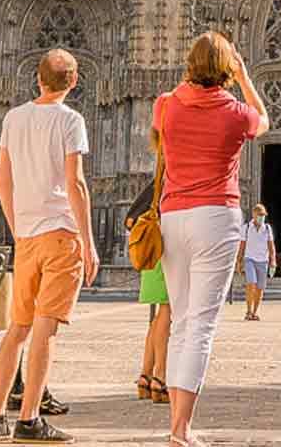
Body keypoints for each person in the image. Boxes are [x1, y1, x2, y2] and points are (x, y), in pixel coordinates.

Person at [155, 31, 269, 447]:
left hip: (173, 217)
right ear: (225, 68)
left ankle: (175, 423)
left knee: (182, 324)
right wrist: (243, 78)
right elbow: (264, 120)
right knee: (200, 325)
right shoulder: (236, 112)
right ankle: (182, 429)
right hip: (215, 218)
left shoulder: (165, 105)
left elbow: (161, 137)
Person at [0, 47, 98, 442]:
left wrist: (18, 229)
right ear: (74, 81)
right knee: (45, 331)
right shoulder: (71, 120)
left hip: (28, 236)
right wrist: (88, 240)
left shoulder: (13, 118)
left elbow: (2, 182)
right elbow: (75, 183)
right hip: (61, 234)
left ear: (38, 79)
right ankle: (29, 418)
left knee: (17, 329)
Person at [128, 127, 171, 407]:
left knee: (158, 318)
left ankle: (145, 375)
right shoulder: (173, 175)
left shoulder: (157, 176)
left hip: (152, 250)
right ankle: (161, 377)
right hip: (167, 249)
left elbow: (132, 217)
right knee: (168, 314)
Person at [236, 203, 276, 320]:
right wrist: (239, 261)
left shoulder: (267, 228)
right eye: (259, 215)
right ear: (254, 215)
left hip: (263, 260)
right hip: (249, 259)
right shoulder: (246, 228)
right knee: (251, 283)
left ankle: (255, 311)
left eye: (263, 215)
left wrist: (273, 261)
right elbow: (242, 246)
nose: (261, 217)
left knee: (260, 287)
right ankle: (248, 311)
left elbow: (271, 246)